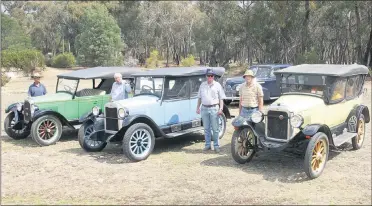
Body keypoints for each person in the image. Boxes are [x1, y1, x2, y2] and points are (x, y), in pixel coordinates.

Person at [196, 68, 226, 153]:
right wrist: (197, 107)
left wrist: (221, 108)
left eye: (211, 76)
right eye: (208, 76)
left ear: (214, 76)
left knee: (215, 128)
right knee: (206, 128)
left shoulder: (217, 85)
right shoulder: (202, 85)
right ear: (206, 76)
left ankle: (216, 145)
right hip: (204, 108)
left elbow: (221, 98)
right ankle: (208, 145)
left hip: (214, 108)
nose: (210, 77)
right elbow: (199, 97)